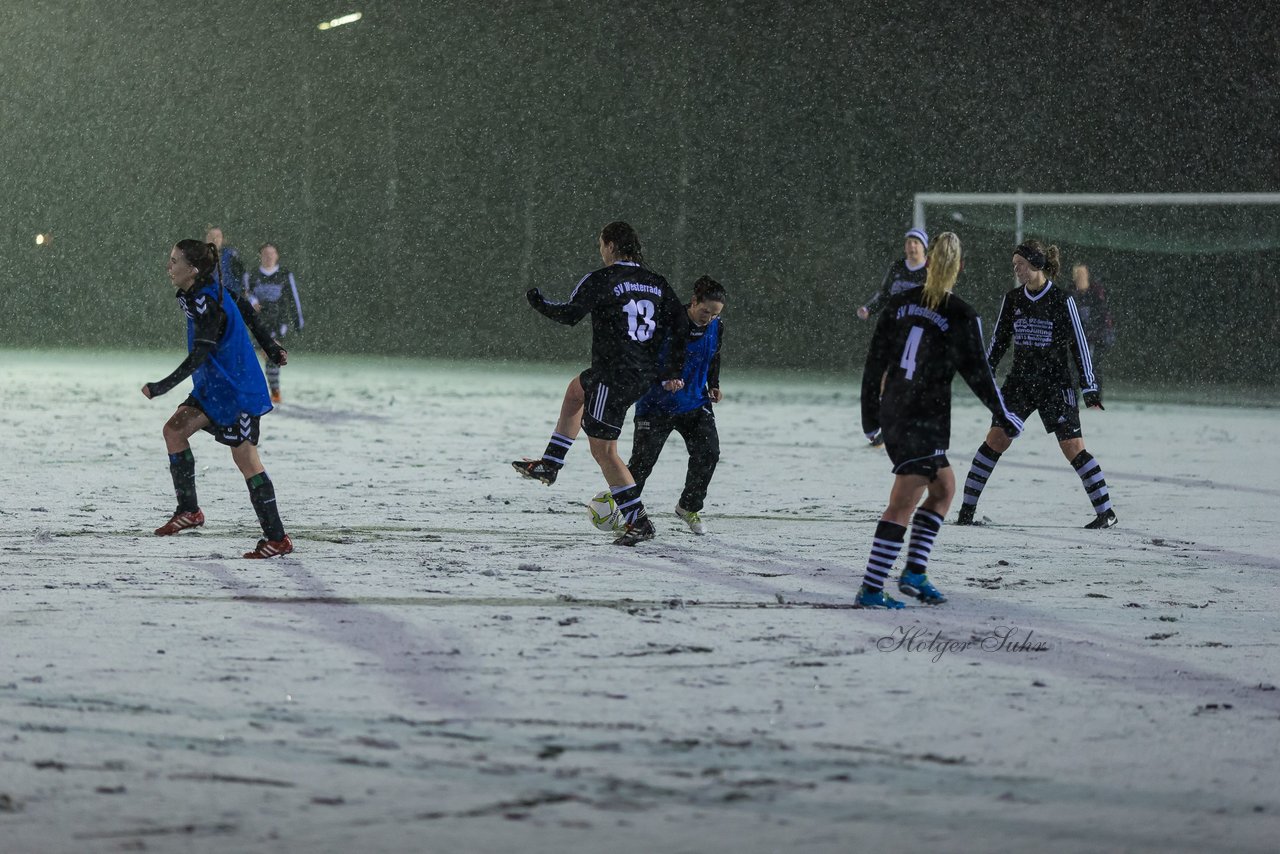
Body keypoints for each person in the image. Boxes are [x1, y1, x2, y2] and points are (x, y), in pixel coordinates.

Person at [855, 232, 1023, 609]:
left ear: (928, 263)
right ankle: (870, 588)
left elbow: (874, 365)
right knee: (903, 501)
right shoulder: (961, 314)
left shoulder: (898, 305)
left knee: (944, 488)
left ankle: (914, 572)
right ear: (959, 268)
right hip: (924, 417)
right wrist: (1003, 413)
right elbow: (979, 372)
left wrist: (870, 418)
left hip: (895, 411)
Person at [512, 221, 689, 546]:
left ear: (609, 245)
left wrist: (538, 303)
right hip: (639, 373)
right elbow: (681, 325)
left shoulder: (603, 279)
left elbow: (569, 314)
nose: (601, 251)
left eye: (600, 244)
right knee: (576, 391)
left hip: (613, 375)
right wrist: (671, 368)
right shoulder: (657, 282)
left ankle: (638, 522)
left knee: (605, 451)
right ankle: (550, 464)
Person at [142, 239, 294, 559]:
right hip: (213, 387)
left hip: (237, 389)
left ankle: (277, 539)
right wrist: (270, 347)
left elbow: (201, 352)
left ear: (192, 270)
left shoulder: (208, 302)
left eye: (173, 262)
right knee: (174, 431)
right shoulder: (206, 289)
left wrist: (162, 386)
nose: (168, 267)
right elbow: (247, 312)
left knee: (246, 460)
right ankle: (190, 511)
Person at [956, 240, 1117, 529]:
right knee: (995, 440)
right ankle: (965, 513)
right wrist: (985, 369)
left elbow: (1080, 346)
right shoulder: (1013, 299)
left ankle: (1106, 513)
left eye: (1020, 264)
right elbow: (999, 340)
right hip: (1019, 384)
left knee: (1073, 447)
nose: (1016, 269)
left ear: (1036, 264)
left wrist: (1089, 385)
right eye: (1014, 264)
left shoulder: (1062, 300)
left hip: (1056, 386)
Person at [626, 275, 726, 536]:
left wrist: (714, 383)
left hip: (694, 403)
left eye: (715, 314)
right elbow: (644, 358)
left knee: (708, 453)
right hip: (655, 404)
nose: (710, 318)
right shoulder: (665, 322)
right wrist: (663, 379)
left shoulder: (717, 327)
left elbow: (713, 355)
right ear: (693, 302)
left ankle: (688, 507)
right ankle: (626, 513)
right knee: (642, 464)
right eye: (706, 312)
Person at [243, 242, 305, 403]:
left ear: (277, 255)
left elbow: (293, 299)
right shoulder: (252, 274)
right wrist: (253, 300)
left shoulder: (285, 274)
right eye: (265, 253)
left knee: (272, 353)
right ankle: (261, 389)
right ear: (260, 256)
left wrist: (298, 322)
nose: (269, 256)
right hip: (258, 322)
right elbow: (246, 293)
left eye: (272, 253)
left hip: (278, 322)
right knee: (258, 355)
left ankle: (274, 392)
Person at [856, 228, 930, 321]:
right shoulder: (897, 267)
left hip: (920, 323)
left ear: (924, 247)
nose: (912, 246)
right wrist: (868, 309)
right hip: (895, 322)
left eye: (916, 242)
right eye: (908, 242)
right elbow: (884, 294)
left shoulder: (931, 270)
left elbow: (941, 300)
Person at [1070, 263, 1115, 386]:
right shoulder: (1071, 293)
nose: (1080, 278)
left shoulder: (1097, 293)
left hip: (1096, 337)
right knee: (1074, 368)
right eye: (1077, 275)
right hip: (1078, 338)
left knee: (1095, 367)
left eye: (1083, 275)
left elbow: (1103, 315)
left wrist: (1096, 332)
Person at [206, 226, 245, 296]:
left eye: (218, 236)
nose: (214, 239)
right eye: (211, 236)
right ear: (206, 239)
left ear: (222, 239)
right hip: (208, 296)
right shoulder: (200, 257)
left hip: (230, 296)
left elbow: (241, 276)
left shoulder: (231, 255)